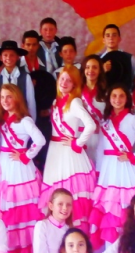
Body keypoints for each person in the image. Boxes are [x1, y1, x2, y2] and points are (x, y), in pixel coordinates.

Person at [90, 85, 135, 250]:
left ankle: (128, 250)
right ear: (109, 99)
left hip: (126, 167)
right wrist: (98, 171)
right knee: (108, 208)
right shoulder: (106, 122)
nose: (117, 99)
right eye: (114, 96)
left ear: (126, 99)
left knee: (127, 208)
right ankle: (109, 251)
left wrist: (134, 156)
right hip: (108, 169)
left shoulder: (132, 119)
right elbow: (100, 148)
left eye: (121, 96)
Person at [40, 66, 97, 230]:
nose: (64, 83)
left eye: (69, 80)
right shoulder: (55, 101)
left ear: (74, 84)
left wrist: (77, 143)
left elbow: (90, 125)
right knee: (55, 193)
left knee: (71, 193)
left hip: (69, 153)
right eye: (62, 79)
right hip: (55, 151)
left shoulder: (75, 102)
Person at [0, 84, 45, 253]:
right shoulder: (6, 119)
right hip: (6, 164)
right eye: (2, 97)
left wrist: (25, 155)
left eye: (9, 97)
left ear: (17, 98)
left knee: (23, 208)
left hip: (20, 168)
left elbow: (40, 140)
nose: (5, 101)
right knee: (8, 208)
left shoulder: (24, 120)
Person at [26, 188, 73, 253]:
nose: (65, 208)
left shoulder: (68, 229)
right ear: (51, 206)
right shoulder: (42, 226)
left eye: (68, 205)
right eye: (60, 204)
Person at [21, 29, 57, 171]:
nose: (31, 48)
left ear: (38, 46)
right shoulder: (18, 66)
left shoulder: (45, 64)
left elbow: (51, 88)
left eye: (34, 45)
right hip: (24, 113)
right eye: (28, 44)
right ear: (23, 45)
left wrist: (47, 108)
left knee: (42, 144)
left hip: (42, 112)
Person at [0, 40, 37, 120]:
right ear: (1, 58)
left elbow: (31, 102)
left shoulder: (25, 77)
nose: (8, 58)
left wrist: (32, 121)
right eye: (5, 55)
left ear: (17, 57)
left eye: (12, 55)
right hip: (3, 122)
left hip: (22, 120)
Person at [81, 54, 107, 166]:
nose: (90, 70)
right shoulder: (76, 91)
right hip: (81, 134)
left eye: (95, 67)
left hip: (100, 135)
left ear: (100, 70)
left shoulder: (106, 92)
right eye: (88, 67)